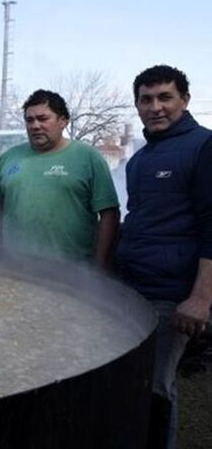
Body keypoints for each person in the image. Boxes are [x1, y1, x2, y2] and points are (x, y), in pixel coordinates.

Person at [115, 65, 212, 449]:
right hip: (133, 286)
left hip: (172, 295)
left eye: (165, 97)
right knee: (131, 381)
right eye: (146, 99)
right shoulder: (141, 159)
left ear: (185, 100)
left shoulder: (204, 147)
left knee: (155, 387)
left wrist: (201, 298)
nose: (155, 107)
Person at [0, 89, 120, 268]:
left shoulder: (88, 158)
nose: (35, 125)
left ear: (63, 121)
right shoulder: (8, 158)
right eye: (29, 120)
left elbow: (109, 214)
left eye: (43, 118)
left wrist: (100, 267)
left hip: (73, 270)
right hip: (14, 266)